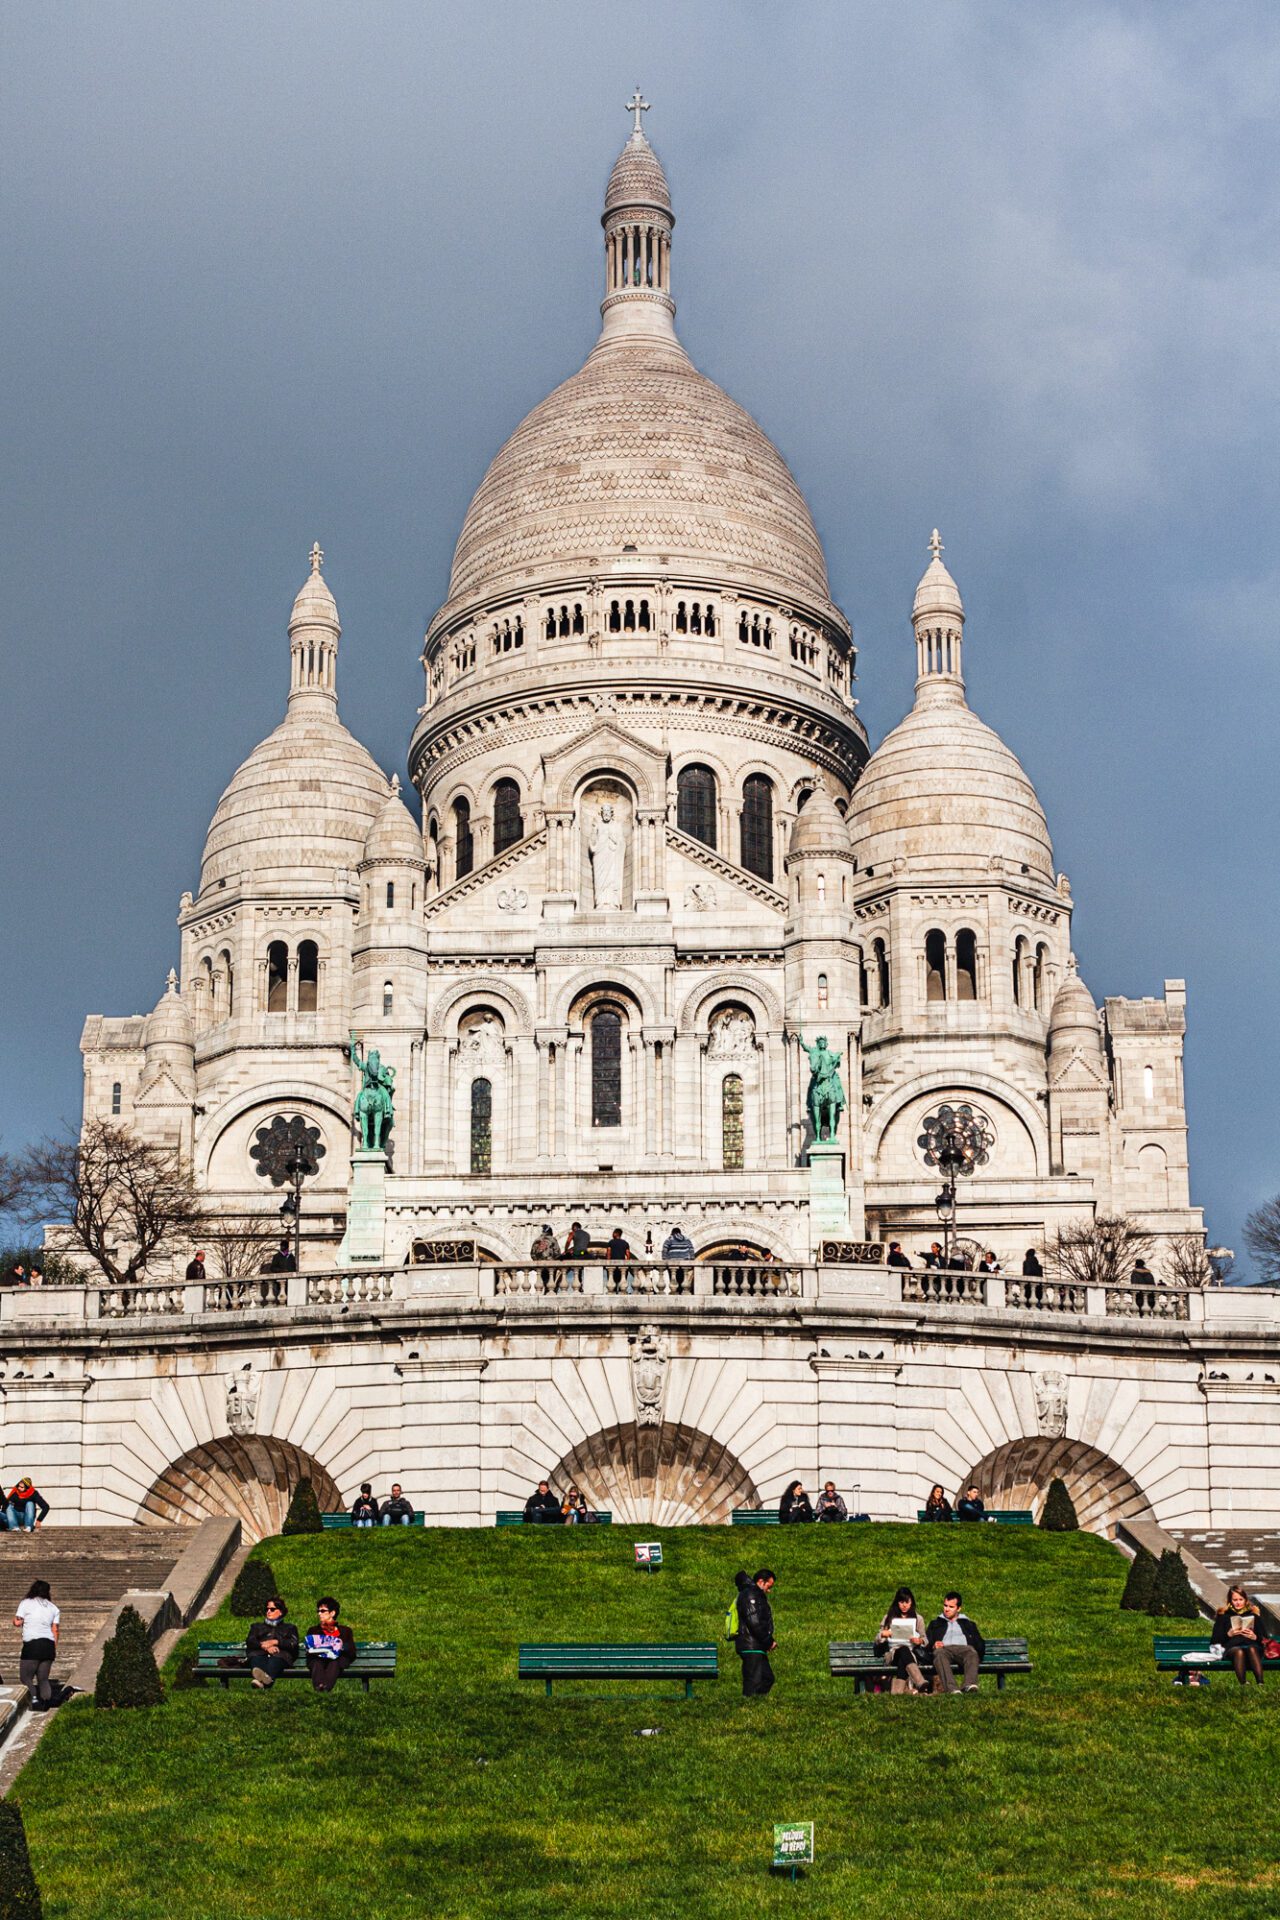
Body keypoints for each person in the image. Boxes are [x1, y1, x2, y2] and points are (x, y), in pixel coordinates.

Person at [926, 1591, 986, 1693]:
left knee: (971, 1652)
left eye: (951, 1607)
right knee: (939, 1654)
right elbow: (927, 1642)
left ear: (958, 1608)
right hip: (944, 1650)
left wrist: (975, 1648)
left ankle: (969, 1685)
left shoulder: (969, 1624)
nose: (947, 1609)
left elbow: (980, 1643)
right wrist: (933, 1645)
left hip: (964, 1650)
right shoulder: (935, 1624)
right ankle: (952, 1689)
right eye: (945, 1606)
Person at [874, 1586, 929, 1694]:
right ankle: (920, 1681)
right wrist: (883, 1634)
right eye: (901, 1602)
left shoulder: (918, 1618)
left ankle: (897, 1692)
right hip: (892, 1654)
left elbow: (925, 1639)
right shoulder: (889, 1617)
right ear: (897, 1602)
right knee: (902, 1650)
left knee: (903, 1655)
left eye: (907, 1602)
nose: (904, 1605)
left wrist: (919, 1641)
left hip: (911, 1654)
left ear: (911, 1602)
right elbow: (877, 1639)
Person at [14, 1579, 59, 1710]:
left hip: (33, 1645)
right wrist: (53, 1647)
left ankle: (34, 1699)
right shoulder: (53, 1608)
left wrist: (15, 1621)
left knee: (25, 1677)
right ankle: (46, 1704)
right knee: (43, 1679)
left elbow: (17, 1622)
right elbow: (55, 1629)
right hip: (48, 1645)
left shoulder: (26, 1603)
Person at [1212, 1585, 1266, 1685]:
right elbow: (1215, 1640)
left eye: (1241, 1599)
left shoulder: (1253, 1615)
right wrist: (1228, 1634)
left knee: (1252, 1648)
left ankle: (1260, 1683)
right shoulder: (1223, 1617)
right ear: (1230, 1601)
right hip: (1232, 1648)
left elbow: (1264, 1637)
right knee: (1239, 1651)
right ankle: (1243, 1683)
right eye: (1235, 1600)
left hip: (1252, 1646)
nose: (1238, 1602)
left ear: (1245, 1600)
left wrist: (1255, 1637)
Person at [736, 1569, 777, 1696]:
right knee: (753, 1681)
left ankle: (756, 1704)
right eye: (768, 1586)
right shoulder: (750, 1595)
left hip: (756, 1645)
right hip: (751, 1645)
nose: (769, 1591)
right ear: (761, 1581)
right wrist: (768, 1641)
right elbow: (755, 1622)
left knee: (767, 1678)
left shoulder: (754, 1594)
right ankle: (748, 1704)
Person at [305, 1596, 356, 1693]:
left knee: (334, 1663)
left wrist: (341, 1647)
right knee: (317, 1663)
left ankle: (324, 1688)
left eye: (323, 1611)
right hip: (318, 1659)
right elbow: (309, 1650)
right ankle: (320, 1687)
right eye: (318, 1611)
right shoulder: (313, 1630)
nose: (319, 1614)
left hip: (338, 1659)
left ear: (332, 1613)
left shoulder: (345, 1631)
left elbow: (352, 1652)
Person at [246, 1596, 299, 1690]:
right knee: (256, 1658)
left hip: (280, 1656)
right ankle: (266, 1682)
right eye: (267, 1609)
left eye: (272, 1609)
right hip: (259, 1654)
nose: (268, 1611)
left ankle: (260, 1682)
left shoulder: (290, 1628)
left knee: (276, 1659)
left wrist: (276, 1641)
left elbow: (293, 1643)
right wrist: (264, 1646)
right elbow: (250, 1641)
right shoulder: (256, 1627)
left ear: (281, 1612)